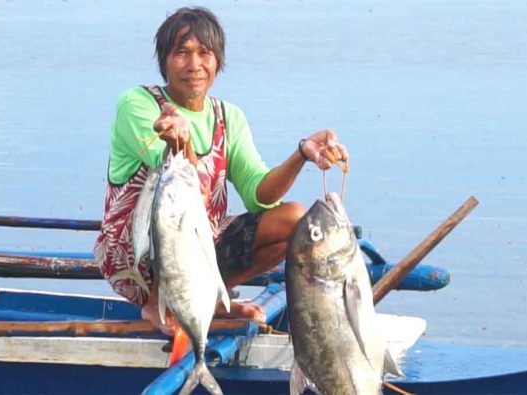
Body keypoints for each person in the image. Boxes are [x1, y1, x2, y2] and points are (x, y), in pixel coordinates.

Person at [94, 6, 348, 334]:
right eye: (181, 53)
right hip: (136, 254)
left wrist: (301, 154)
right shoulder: (138, 103)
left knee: (296, 220)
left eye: (204, 53)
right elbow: (175, 180)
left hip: (200, 243)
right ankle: (160, 302)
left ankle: (209, 297)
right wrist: (176, 134)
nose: (194, 65)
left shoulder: (229, 117)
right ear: (164, 61)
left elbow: (260, 195)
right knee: (170, 211)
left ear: (218, 61)